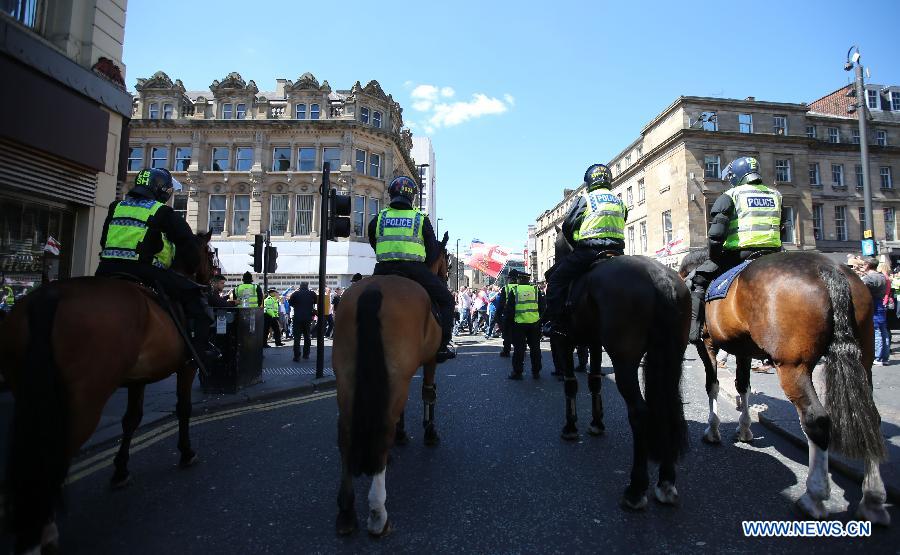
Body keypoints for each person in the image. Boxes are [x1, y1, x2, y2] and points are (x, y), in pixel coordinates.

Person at [95, 168, 219, 366]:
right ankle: (200, 351)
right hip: (145, 271)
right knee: (198, 300)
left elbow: (103, 241)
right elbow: (189, 247)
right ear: (160, 190)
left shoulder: (115, 207)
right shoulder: (162, 212)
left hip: (105, 270)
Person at [687, 156, 784, 342]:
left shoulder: (731, 195)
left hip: (740, 255)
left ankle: (694, 332)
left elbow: (715, 236)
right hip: (773, 255)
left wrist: (715, 258)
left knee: (699, 280)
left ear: (736, 176)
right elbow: (781, 227)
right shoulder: (776, 195)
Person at [367, 175, 456, 361]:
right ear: (412, 197)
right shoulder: (420, 219)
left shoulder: (379, 218)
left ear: (391, 194)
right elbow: (432, 253)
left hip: (382, 270)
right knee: (447, 300)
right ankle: (442, 346)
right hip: (414, 270)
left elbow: (374, 243)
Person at [546, 164, 626, 336]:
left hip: (589, 252)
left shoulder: (586, 199)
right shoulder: (619, 201)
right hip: (617, 253)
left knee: (555, 281)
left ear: (589, 182)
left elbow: (568, 226)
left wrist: (577, 240)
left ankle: (556, 323)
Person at [507, 272, 545, 379]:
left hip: (519, 324)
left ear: (519, 279)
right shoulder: (536, 290)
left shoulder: (514, 290)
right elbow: (543, 307)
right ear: (528, 280)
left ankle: (517, 372)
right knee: (535, 348)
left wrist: (509, 325)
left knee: (519, 349)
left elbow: (509, 310)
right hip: (534, 324)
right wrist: (540, 321)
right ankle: (536, 371)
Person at [862, 258, 890, 365]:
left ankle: (878, 357)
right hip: (881, 304)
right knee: (884, 331)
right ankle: (885, 357)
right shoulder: (882, 277)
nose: (863, 265)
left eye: (864, 264)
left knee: (877, 332)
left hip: (873, 304)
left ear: (868, 265)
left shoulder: (868, 278)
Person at [289, 281, 317, 361]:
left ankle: (297, 356)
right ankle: (306, 354)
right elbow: (315, 302)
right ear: (307, 286)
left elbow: (290, 303)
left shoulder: (296, 294)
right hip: (308, 318)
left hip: (297, 317)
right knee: (307, 336)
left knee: (297, 338)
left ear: (300, 286)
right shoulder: (312, 293)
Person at [496, 269, 520, 356]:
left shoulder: (506, 288)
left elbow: (501, 304)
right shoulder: (520, 288)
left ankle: (506, 350)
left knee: (507, 334)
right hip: (520, 314)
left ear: (509, 278)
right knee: (519, 334)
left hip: (508, 314)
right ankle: (521, 349)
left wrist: (498, 316)